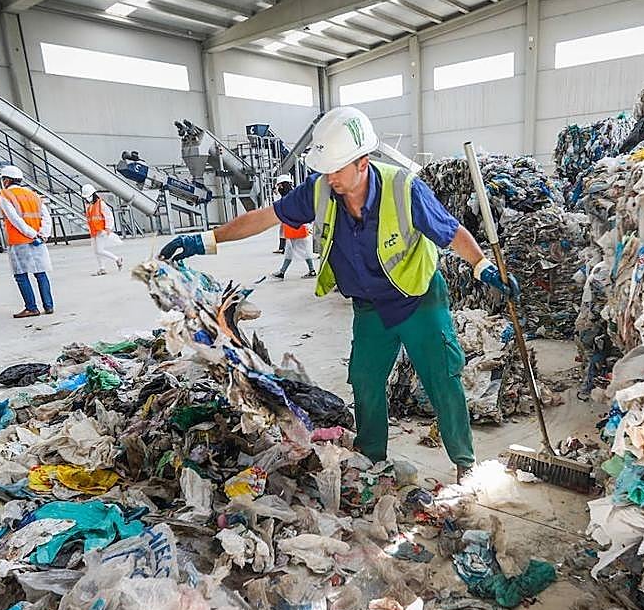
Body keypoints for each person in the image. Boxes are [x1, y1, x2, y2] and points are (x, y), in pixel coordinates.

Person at [161, 106, 519, 480]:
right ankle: (371, 458)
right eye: (325, 167)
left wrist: (483, 267)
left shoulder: (404, 188)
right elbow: (266, 216)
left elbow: (452, 232)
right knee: (365, 381)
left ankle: (464, 463)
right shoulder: (320, 190)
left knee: (442, 378)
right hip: (369, 308)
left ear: (362, 162)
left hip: (418, 300)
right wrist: (206, 239)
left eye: (336, 168)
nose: (329, 176)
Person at [0, 165, 54, 318]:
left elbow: (15, 219)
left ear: (7, 180)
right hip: (38, 241)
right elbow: (46, 217)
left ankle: (31, 308)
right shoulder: (34, 195)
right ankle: (48, 306)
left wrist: (31, 234)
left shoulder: (5, 195)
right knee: (40, 273)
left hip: (20, 241)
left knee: (21, 275)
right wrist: (42, 234)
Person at [82, 184, 124, 275]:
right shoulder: (88, 205)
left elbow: (109, 216)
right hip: (93, 231)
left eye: (88, 196)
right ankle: (102, 268)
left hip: (101, 230)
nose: (87, 198)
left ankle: (117, 259)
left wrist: (108, 228)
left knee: (100, 250)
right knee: (96, 251)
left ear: (93, 194)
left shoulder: (100, 203)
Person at [273, 173, 294, 253]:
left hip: (288, 213)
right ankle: (282, 247)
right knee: (283, 230)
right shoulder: (286, 192)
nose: (278, 186)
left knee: (286, 230)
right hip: (286, 213)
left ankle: (285, 247)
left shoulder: (287, 193)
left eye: (279, 185)